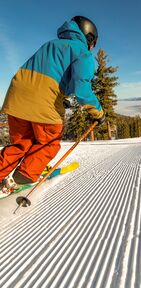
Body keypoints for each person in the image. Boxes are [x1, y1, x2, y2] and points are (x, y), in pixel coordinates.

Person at [0, 16, 104, 195]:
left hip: (16, 98)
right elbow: (83, 88)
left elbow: (48, 73)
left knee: (20, 144)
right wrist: (98, 113)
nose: (92, 48)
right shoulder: (83, 53)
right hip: (43, 101)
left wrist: (61, 95)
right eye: (93, 42)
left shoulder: (50, 45)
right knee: (48, 142)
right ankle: (20, 178)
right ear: (88, 36)